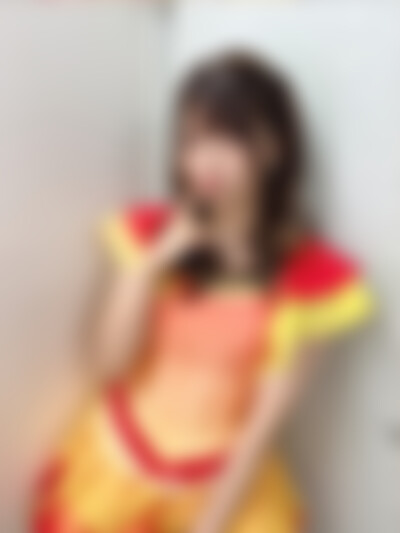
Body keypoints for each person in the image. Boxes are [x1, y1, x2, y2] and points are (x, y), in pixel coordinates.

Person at [33, 52, 374, 533]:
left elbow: (263, 425)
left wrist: (211, 523)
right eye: (192, 141)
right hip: (119, 459)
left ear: (274, 147)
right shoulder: (151, 234)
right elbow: (110, 365)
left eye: (227, 137)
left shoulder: (309, 278)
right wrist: (152, 265)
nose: (205, 158)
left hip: (228, 480)